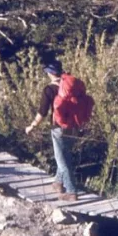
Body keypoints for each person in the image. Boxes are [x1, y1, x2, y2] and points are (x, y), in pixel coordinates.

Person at [25, 61, 79, 202]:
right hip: (74, 127)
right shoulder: (70, 85)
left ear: (50, 73)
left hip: (58, 128)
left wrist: (32, 126)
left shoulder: (49, 89)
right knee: (65, 155)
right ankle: (58, 183)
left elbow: (42, 112)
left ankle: (71, 191)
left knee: (62, 160)